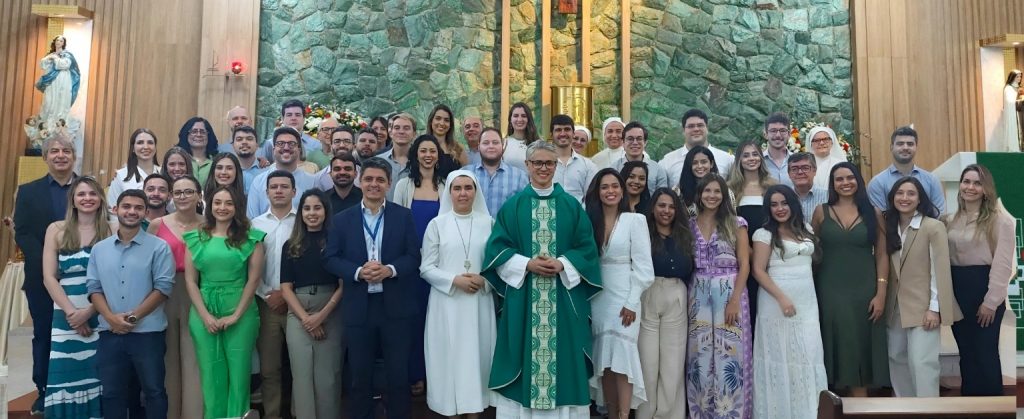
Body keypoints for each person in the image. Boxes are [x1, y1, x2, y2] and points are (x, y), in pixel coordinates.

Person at [482, 140, 602, 418]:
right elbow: (497, 249)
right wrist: (527, 264)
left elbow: (587, 248)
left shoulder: (571, 206)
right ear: (527, 165)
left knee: (565, 359)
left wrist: (563, 263)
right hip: (524, 296)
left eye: (549, 163)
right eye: (538, 163)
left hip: (564, 298)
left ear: (556, 166)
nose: (544, 168)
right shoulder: (513, 206)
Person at [324, 157, 422, 419]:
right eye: (368, 179)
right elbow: (331, 258)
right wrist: (357, 272)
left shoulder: (403, 216)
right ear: (360, 181)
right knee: (360, 376)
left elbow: (414, 257)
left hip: (396, 308)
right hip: (359, 307)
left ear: (389, 183)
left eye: (380, 180)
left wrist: (390, 270)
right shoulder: (342, 220)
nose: (374, 184)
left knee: (398, 376)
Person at [88, 189, 175, 419]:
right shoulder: (99, 249)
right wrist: (111, 319)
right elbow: (94, 289)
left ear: (146, 213)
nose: (132, 211)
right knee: (111, 394)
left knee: (154, 392)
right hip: (110, 333)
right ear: (115, 209)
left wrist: (132, 317)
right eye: (126, 206)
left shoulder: (159, 247)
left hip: (148, 334)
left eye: (138, 208)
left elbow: (163, 288)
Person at [420, 170, 496, 417]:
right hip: (447, 304)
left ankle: (474, 413)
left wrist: (484, 279)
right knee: (448, 362)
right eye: (457, 188)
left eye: (468, 188)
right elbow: (426, 268)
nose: (463, 193)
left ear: (476, 192)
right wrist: (454, 280)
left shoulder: (489, 223)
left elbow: (497, 264)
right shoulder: (437, 225)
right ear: (449, 193)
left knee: (476, 360)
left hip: (479, 304)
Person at [183, 186, 265, 419]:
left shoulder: (252, 238)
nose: (222, 207)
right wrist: (205, 316)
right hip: (203, 309)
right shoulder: (196, 237)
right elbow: (190, 281)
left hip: (240, 308)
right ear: (210, 205)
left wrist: (236, 315)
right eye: (217, 202)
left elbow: (253, 280)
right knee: (210, 375)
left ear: (237, 207)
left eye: (229, 203)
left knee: (239, 375)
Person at [810, 162, 890, 396]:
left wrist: (881, 293)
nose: (845, 183)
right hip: (830, 288)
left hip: (864, 288)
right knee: (835, 339)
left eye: (850, 178)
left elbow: (882, 254)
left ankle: (860, 403)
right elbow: (811, 249)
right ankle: (831, 402)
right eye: (839, 179)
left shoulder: (873, 212)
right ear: (832, 184)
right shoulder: (821, 212)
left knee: (859, 343)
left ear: (858, 181)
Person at [13, 134, 78, 415]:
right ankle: (44, 390)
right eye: (54, 151)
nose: (60, 155)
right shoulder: (28, 191)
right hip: (41, 278)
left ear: (74, 156)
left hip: (81, 277)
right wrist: (50, 264)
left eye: (66, 151)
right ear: (45, 157)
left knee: (81, 331)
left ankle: (79, 387)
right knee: (45, 334)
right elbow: (23, 232)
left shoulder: (88, 189)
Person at [750, 185, 827, 419]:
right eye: (774, 205)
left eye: (784, 203)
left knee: (808, 352)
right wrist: (782, 298)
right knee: (780, 357)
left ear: (793, 204)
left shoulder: (807, 229)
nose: (780, 208)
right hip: (776, 302)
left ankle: (809, 412)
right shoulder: (763, 234)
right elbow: (758, 270)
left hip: (807, 302)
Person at [584, 169, 654, 419]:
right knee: (605, 362)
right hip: (598, 298)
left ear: (622, 191)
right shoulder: (589, 222)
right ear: (597, 192)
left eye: (615, 186)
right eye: (604, 187)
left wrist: (632, 302)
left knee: (623, 360)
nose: (610, 191)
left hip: (626, 297)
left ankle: (624, 415)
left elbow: (645, 269)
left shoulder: (635, 221)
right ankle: (612, 414)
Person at [883, 177, 962, 397]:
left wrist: (934, 308)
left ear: (920, 199)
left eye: (911, 193)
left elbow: (939, 270)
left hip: (924, 307)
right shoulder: (888, 227)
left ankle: (928, 410)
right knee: (896, 359)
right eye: (900, 193)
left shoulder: (932, 227)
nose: (904, 198)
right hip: (894, 307)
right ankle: (906, 409)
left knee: (922, 363)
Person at [40, 176, 109, 418]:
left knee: (99, 373)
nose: (87, 198)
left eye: (92, 193)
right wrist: (72, 314)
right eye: (81, 194)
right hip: (65, 316)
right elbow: (49, 277)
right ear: (72, 200)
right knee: (65, 373)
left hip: (102, 313)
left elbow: (116, 277)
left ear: (101, 198)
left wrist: (89, 311)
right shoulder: (56, 230)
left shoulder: (112, 229)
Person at [944, 164, 1016, 396]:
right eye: (966, 181)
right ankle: (970, 406)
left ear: (986, 189)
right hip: (957, 290)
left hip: (983, 289)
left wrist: (991, 302)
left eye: (977, 183)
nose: (970, 187)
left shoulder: (1000, 221)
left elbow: (1002, 265)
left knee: (985, 352)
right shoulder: (949, 220)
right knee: (966, 353)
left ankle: (992, 408)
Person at [686, 174, 751, 418]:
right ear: (699, 194)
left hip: (729, 291)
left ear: (724, 196)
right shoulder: (688, 224)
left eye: (717, 191)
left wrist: (734, 300)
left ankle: (730, 413)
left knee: (730, 355)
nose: (712, 196)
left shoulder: (736, 223)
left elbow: (745, 264)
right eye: (707, 191)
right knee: (699, 356)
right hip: (698, 293)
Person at [280, 190, 344, 419]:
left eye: (317, 207)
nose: (312, 213)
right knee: (302, 376)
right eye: (307, 208)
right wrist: (307, 319)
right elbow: (286, 288)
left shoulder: (337, 242)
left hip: (331, 311)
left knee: (328, 377)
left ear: (326, 211)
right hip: (298, 313)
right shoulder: (291, 245)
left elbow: (343, 284)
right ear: (301, 213)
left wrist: (321, 316)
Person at [148, 175, 205, 419]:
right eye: (178, 192)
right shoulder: (156, 224)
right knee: (168, 358)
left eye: (189, 192)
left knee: (195, 358)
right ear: (171, 196)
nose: (183, 197)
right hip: (165, 294)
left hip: (198, 292)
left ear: (199, 195)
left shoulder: (208, 224)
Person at [393, 134, 445, 396]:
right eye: (423, 150)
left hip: (438, 265)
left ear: (438, 156)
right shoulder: (404, 185)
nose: (428, 155)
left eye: (432, 151)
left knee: (436, 321)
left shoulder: (446, 185)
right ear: (416, 154)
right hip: (411, 264)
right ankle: (416, 374)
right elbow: (396, 224)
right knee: (413, 321)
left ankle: (436, 375)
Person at [636, 188, 693, 419]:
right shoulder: (642, 233)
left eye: (671, 206)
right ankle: (645, 414)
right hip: (648, 293)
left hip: (676, 294)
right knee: (647, 363)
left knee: (673, 363)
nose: (666, 211)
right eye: (661, 205)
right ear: (653, 208)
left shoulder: (685, 234)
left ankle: (668, 415)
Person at [251, 170, 298, 419]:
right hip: (266, 303)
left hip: (298, 304)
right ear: (267, 192)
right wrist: (266, 294)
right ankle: (272, 415)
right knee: (269, 368)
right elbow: (249, 267)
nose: (279, 191)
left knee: (300, 366)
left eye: (284, 186)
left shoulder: (303, 222)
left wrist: (288, 295)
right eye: (274, 187)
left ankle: (298, 413)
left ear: (294, 191)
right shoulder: (255, 225)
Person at [728, 140, 776, 335]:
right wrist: (748, 252)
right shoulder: (731, 189)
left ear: (761, 158)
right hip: (743, 259)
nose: (751, 159)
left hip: (770, 258)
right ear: (739, 160)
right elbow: (728, 224)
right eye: (746, 155)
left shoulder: (772, 186)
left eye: (755, 154)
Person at [867, 126, 945, 213]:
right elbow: (880, 217)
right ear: (891, 147)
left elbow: (939, 214)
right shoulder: (878, 182)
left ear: (916, 147)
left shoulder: (932, 180)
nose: (905, 147)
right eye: (900, 144)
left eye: (910, 144)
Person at [247, 126, 317, 218]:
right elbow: (252, 220)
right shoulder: (259, 182)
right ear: (273, 150)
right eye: (280, 143)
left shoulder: (312, 182)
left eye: (291, 144)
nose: (286, 148)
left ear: (299, 150)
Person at [463, 127, 528, 217]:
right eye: (486, 143)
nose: (491, 146)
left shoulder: (519, 177)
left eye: (495, 142)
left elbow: (525, 210)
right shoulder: (465, 174)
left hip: (507, 226)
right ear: (478, 146)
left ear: (503, 145)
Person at [659, 109, 734, 187]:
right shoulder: (667, 162)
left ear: (707, 128)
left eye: (700, 125)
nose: (696, 129)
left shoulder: (728, 160)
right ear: (683, 130)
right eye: (691, 126)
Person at [107, 128, 160, 209]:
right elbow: (112, 208)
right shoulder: (121, 175)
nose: (146, 147)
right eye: (140, 142)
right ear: (133, 149)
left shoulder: (163, 172)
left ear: (155, 148)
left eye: (150, 142)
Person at [610, 121, 669, 192]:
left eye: (639, 139)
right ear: (623, 143)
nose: (635, 143)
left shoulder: (657, 170)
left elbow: (662, 196)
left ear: (645, 143)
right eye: (630, 139)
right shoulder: (614, 169)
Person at [551, 114, 598, 200]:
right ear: (551, 135)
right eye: (558, 130)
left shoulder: (588, 166)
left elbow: (591, 197)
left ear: (573, 133)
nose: (563, 133)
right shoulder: (541, 163)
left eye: (567, 129)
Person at [35, 35, 80, 122]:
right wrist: (49, 57)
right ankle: (46, 120)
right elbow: (43, 65)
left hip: (63, 79)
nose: (59, 42)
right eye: (57, 40)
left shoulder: (67, 54)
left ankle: (59, 122)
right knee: (48, 100)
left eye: (61, 41)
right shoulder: (51, 54)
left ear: (63, 44)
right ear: (55, 42)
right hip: (51, 80)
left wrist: (55, 59)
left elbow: (65, 65)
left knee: (61, 98)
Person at [677, 145, 722, 213]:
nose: (700, 166)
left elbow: (730, 215)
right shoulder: (679, 191)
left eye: (704, 162)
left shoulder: (722, 188)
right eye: (694, 163)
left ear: (711, 164)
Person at [176, 117, 219, 186]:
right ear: (186, 134)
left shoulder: (217, 161)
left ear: (209, 135)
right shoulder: (178, 160)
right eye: (194, 131)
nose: (198, 135)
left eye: (202, 132)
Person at [427, 104, 468, 176]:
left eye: (446, 120)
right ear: (431, 121)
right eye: (438, 118)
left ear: (450, 125)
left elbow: (466, 176)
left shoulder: (458, 149)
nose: (442, 123)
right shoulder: (421, 147)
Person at [502, 102, 541, 172]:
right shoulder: (504, 143)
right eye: (516, 116)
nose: (519, 119)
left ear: (529, 119)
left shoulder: (539, 144)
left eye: (523, 116)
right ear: (510, 120)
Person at [786, 152, 828, 218]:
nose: (800, 172)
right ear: (789, 173)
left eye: (805, 168)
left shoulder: (828, 196)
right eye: (794, 169)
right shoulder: (784, 197)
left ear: (814, 171)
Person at [990, 69, 1022, 152]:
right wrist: (1018, 98)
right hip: (1013, 114)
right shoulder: (1008, 88)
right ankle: (1014, 148)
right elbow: (1009, 101)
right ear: (1012, 77)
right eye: (1017, 77)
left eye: (1020, 77)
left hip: (1020, 113)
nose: (1019, 78)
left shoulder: (1019, 88)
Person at [380, 113, 417, 184]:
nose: (401, 132)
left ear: (414, 134)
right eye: (397, 128)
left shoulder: (421, 161)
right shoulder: (379, 160)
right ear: (390, 133)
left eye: (406, 128)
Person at [231, 125, 269, 191]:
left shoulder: (267, 171)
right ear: (233, 146)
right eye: (239, 139)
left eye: (249, 139)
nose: (244, 142)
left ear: (257, 145)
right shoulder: (227, 171)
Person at [762, 112, 792, 185]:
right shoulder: (758, 162)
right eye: (773, 131)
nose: (778, 135)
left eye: (783, 131)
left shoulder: (797, 161)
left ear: (789, 134)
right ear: (765, 134)